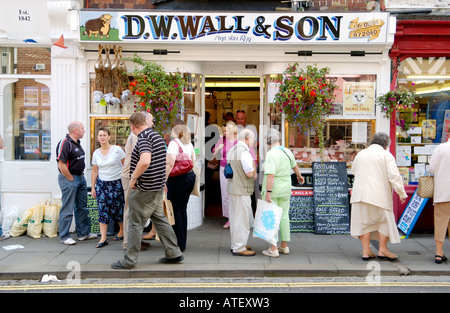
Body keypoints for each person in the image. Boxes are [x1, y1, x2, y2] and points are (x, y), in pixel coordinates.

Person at [111, 113, 183, 269]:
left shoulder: (143, 138)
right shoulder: (156, 136)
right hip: (156, 186)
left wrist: (134, 178)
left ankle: (130, 260)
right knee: (160, 220)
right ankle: (174, 252)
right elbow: (162, 161)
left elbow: (145, 160)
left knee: (135, 223)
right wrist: (162, 181)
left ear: (132, 126)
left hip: (145, 188)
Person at [350, 132, 407, 261]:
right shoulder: (386, 155)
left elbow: (354, 171)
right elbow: (394, 176)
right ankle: (382, 249)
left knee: (363, 223)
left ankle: (366, 251)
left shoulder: (361, 154)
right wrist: (401, 193)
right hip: (379, 195)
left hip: (360, 195)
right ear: (386, 145)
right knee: (384, 222)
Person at [261, 129, 304, 257]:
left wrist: (268, 192)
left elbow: (271, 175)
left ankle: (273, 248)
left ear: (268, 141)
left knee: (271, 217)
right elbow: (295, 166)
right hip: (286, 188)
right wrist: (299, 176)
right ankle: (284, 246)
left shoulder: (271, 154)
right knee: (284, 216)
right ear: (279, 139)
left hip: (274, 188)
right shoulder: (287, 151)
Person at [56, 121, 97, 245]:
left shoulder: (77, 143)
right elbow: (61, 164)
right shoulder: (65, 142)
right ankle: (64, 236)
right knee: (67, 208)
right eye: (83, 128)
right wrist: (70, 179)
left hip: (80, 178)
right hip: (70, 178)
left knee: (82, 207)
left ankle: (83, 233)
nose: (84, 130)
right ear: (76, 131)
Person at [91, 127, 126, 248]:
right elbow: (95, 171)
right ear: (98, 138)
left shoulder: (117, 150)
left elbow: (125, 165)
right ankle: (103, 237)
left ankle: (122, 232)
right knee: (102, 210)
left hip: (116, 184)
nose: (102, 137)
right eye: (100, 135)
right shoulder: (96, 153)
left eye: (104, 135)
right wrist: (93, 187)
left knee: (119, 209)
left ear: (109, 137)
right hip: (102, 185)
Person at [166, 122, 196, 252]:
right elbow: (193, 161)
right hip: (189, 178)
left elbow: (170, 163)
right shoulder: (188, 144)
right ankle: (182, 241)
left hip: (177, 179)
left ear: (175, 131)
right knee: (182, 209)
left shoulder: (174, 144)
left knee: (176, 209)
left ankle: (179, 243)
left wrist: (164, 180)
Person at [227, 129, 257, 256]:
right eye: (253, 139)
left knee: (235, 219)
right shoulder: (245, 153)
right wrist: (255, 169)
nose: (253, 142)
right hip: (242, 189)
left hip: (233, 188)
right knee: (242, 220)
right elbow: (249, 173)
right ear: (247, 137)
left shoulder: (232, 149)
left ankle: (236, 244)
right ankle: (240, 247)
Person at [429, 125, 450, 264]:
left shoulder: (441, 148)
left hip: (443, 191)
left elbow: (432, 168)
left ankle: (438, 252)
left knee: (441, 222)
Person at [212, 121, 238, 228]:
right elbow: (213, 151)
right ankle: (229, 218)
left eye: (226, 131)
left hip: (236, 169)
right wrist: (218, 148)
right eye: (223, 131)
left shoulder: (238, 140)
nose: (224, 133)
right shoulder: (222, 139)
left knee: (236, 194)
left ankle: (237, 218)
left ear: (232, 130)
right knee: (226, 194)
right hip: (224, 169)